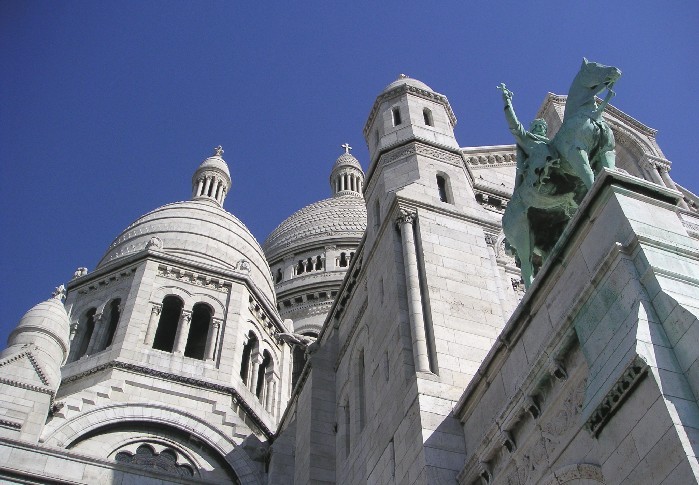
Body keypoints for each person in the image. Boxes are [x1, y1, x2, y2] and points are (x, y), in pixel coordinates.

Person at [498, 83, 555, 190]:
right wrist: (507, 102)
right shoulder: (527, 139)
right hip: (537, 172)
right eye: (536, 126)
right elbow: (514, 124)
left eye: (542, 126)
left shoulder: (553, 143)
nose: (539, 127)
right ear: (532, 129)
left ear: (546, 131)